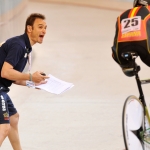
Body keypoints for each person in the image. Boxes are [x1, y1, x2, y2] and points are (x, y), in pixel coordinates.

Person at [0, 13, 49, 149]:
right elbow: (5, 72)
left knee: (13, 118)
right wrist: (31, 77)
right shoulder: (19, 45)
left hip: (2, 89)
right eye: (40, 27)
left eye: (45, 27)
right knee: (3, 128)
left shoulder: (26, 48)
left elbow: (13, 77)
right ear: (29, 28)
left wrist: (33, 83)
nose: (44, 31)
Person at [111, 0, 150, 76]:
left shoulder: (121, 15)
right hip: (144, 46)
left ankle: (127, 66)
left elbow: (116, 39)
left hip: (121, 50)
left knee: (120, 56)